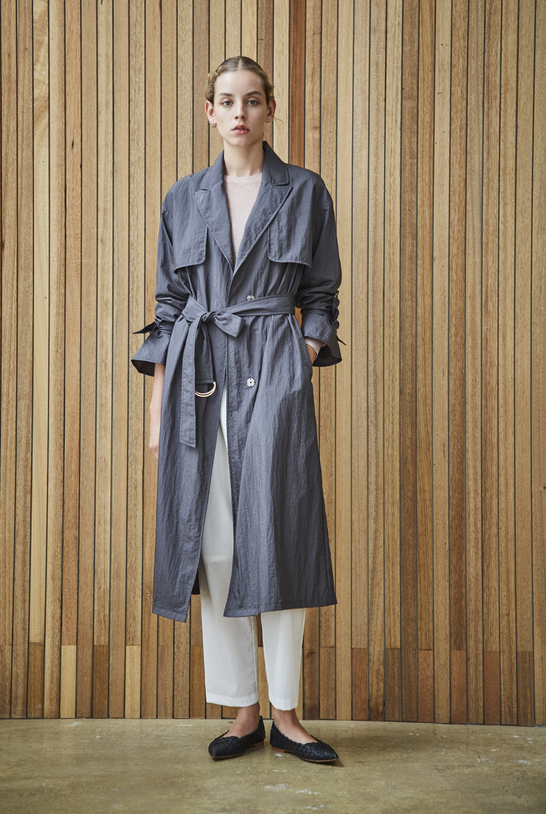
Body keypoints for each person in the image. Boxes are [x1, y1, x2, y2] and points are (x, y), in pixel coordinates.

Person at [132, 57, 342, 764]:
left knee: (278, 538)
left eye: (252, 100)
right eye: (227, 101)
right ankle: (242, 710)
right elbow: (168, 307)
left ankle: (287, 714)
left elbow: (320, 294)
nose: (240, 113)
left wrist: (300, 353)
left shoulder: (304, 191)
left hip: (273, 375)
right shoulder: (183, 198)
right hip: (197, 378)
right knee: (215, 546)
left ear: (270, 108)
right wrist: (156, 407)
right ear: (210, 112)